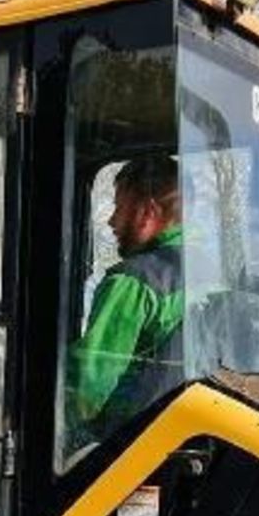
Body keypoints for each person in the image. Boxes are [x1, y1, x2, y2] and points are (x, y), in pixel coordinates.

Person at [65, 154, 185, 449]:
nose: (111, 220)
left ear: (147, 212)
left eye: (119, 207)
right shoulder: (212, 278)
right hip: (173, 440)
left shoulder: (134, 282)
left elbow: (87, 389)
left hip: (121, 441)